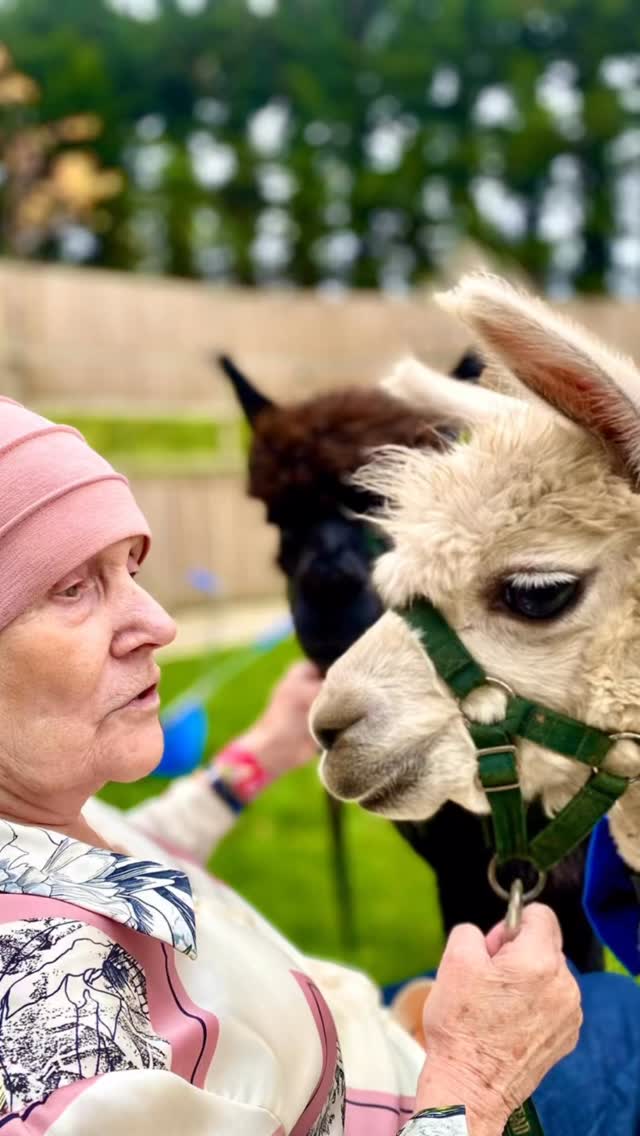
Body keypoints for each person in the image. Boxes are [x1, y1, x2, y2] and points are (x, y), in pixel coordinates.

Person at [0, 397, 584, 1134]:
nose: (159, 624)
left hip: (389, 1039)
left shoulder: (45, 823)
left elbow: (132, 854)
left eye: (130, 569)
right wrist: (474, 1080)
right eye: (72, 588)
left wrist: (257, 757)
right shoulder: (55, 1023)